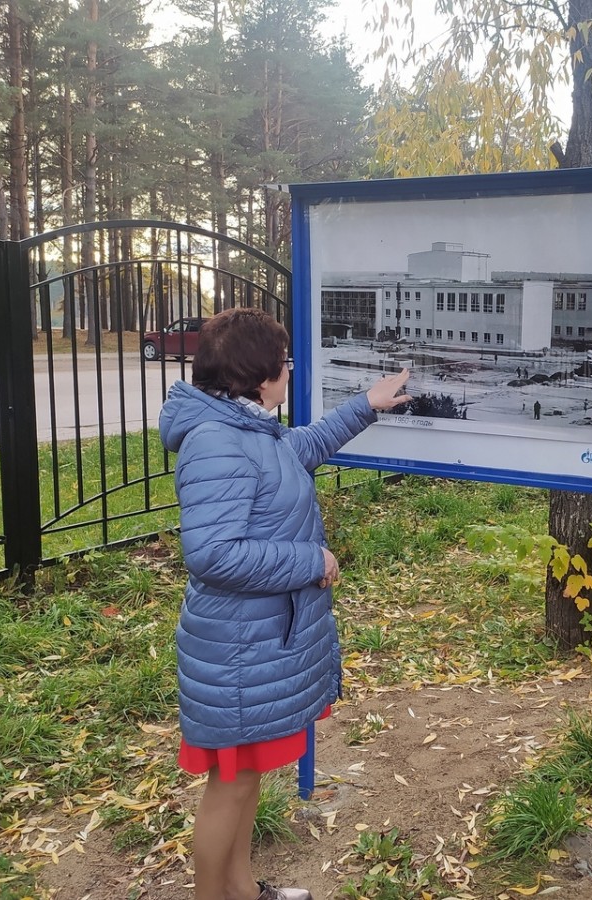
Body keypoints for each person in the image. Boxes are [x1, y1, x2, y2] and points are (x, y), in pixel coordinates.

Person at [159, 307, 411, 900]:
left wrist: (367, 404)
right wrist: (311, 562)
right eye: (284, 361)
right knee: (230, 785)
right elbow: (213, 554)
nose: (290, 371)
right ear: (257, 374)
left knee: (245, 780)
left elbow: (302, 447)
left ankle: (243, 890)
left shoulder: (246, 429)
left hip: (255, 643)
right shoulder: (217, 442)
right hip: (238, 651)